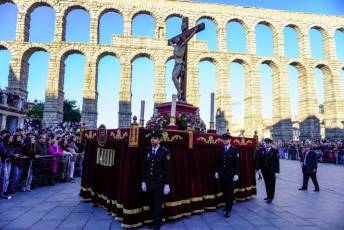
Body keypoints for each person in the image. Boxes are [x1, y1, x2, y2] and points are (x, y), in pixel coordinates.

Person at [141, 130, 171, 230]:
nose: (152, 140)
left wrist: (167, 184)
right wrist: (143, 181)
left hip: (159, 182)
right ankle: (152, 221)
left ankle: (157, 223)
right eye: (151, 138)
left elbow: (167, 169)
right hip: (149, 182)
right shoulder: (148, 150)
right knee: (151, 203)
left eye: (154, 139)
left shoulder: (164, 151)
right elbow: (145, 167)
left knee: (158, 204)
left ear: (159, 140)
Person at [214, 133, 240, 218]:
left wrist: (236, 174)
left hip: (231, 174)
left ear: (230, 140)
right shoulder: (220, 149)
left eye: (226, 139)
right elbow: (217, 162)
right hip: (222, 174)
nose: (224, 141)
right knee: (224, 191)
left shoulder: (234, 150)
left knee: (229, 192)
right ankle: (226, 205)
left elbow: (237, 163)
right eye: (223, 139)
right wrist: (216, 172)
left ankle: (229, 210)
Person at [256, 138, 280, 203]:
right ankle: (268, 196)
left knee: (271, 184)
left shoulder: (274, 151)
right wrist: (259, 169)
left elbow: (276, 162)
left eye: (268, 143)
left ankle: (271, 197)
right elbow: (259, 160)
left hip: (271, 171)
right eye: (266, 143)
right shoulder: (262, 150)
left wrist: (277, 171)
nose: (267, 144)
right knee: (266, 183)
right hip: (264, 170)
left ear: (271, 143)